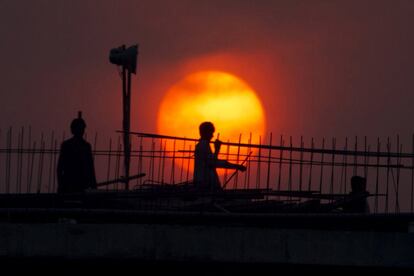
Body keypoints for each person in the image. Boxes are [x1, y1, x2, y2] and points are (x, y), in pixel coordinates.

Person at [193, 122, 246, 191]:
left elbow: (212, 161)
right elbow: (213, 163)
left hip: (203, 182)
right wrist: (236, 166)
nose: (212, 136)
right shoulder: (203, 145)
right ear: (205, 132)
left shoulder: (202, 145)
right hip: (205, 183)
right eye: (211, 133)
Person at [57, 112, 97, 194]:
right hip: (69, 185)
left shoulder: (85, 146)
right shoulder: (67, 145)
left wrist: (93, 185)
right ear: (73, 130)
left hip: (81, 185)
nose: (81, 131)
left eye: (82, 129)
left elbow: (90, 168)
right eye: (79, 129)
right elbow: (60, 167)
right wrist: (61, 185)